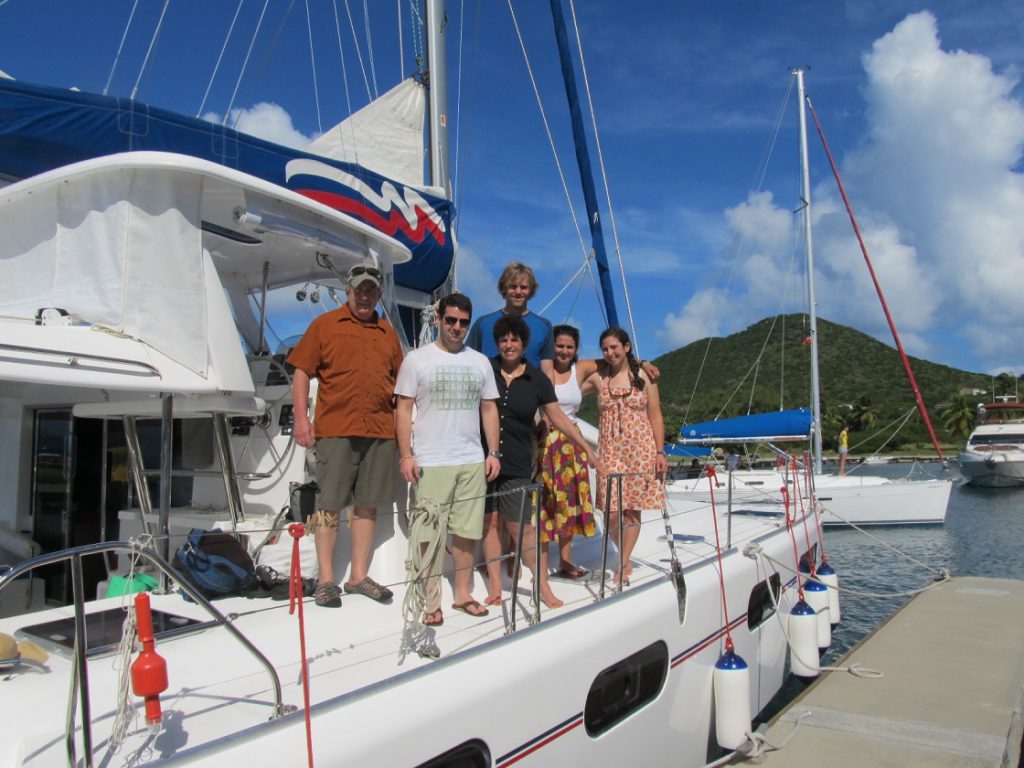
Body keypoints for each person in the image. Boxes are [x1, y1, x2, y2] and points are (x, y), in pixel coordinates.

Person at [287, 262, 403, 608]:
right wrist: (301, 419)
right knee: (328, 506)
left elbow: (402, 382)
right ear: (348, 293)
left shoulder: (387, 333)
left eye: (371, 291)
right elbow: (301, 372)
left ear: (378, 295)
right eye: (359, 291)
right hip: (335, 429)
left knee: (366, 506)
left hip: (379, 431)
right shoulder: (324, 325)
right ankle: (325, 581)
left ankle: (357, 576)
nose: (365, 297)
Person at [395, 293, 502, 626]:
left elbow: (489, 408)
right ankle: (430, 600)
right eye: (451, 320)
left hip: (471, 459)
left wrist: (493, 452)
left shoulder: (480, 362)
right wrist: (406, 455)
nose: (457, 328)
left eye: (463, 322)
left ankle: (463, 594)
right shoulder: (416, 359)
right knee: (428, 534)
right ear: (439, 319)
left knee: (466, 533)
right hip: (431, 460)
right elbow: (403, 408)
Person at [481, 317, 595, 608]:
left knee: (522, 528)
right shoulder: (485, 369)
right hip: (482, 458)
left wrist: (586, 448)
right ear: (497, 343)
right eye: (503, 340)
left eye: (514, 340)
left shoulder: (536, 378)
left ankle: (541, 585)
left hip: (518, 460)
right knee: (490, 523)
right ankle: (495, 584)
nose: (509, 345)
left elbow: (557, 416)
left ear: (523, 344)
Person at [583, 327, 667, 587]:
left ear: (626, 347)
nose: (609, 353)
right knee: (610, 514)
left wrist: (660, 451)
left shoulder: (642, 376)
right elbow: (573, 376)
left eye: (614, 348)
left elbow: (655, 415)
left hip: (641, 450)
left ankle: (623, 561)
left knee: (631, 512)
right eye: (605, 349)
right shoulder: (599, 378)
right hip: (610, 452)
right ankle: (625, 555)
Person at [539, 325, 597, 580]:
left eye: (569, 347)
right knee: (545, 502)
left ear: (575, 349)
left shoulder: (581, 369)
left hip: (572, 443)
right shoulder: (544, 367)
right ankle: (538, 567)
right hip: (546, 441)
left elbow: (614, 358)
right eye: (559, 346)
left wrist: (643, 363)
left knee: (570, 502)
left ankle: (564, 561)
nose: (563, 351)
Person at [466, 262, 555, 375]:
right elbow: (468, 362)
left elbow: (547, 371)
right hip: (489, 391)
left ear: (530, 291)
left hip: (529, 391)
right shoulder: (483, 324)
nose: (518, 292)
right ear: (504, 288)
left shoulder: (544, 327)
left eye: (523, 287)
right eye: (513, 287)